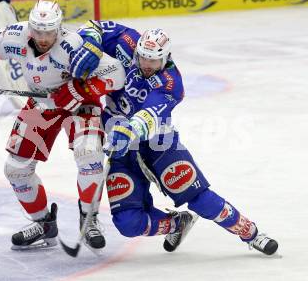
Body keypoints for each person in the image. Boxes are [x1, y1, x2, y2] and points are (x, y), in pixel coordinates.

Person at [69, 21, 279, 255]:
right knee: (128, 223)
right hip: (121, 146)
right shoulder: (127, 41)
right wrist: (90, 43)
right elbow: (93, 26)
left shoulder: (171, 84)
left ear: (166, 57)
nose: (147, 64)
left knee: (201, 200)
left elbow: (147, 117)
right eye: (143, 57)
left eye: (154, 60)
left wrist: (127, 130)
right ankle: (177, 223)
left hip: (159, 143)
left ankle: (251, 234)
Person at [0, 0, 126, 251]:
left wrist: (80, 89)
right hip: (40, 103)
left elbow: (116, 72)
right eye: (38, 31)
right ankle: (43, 224)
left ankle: (89, 220)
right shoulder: (16, 34)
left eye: (48, 32)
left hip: (79, 105)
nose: (43, 37)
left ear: (58, 27)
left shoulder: (74, 44)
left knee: (89, 153)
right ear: (31, 27)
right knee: (16, 169)